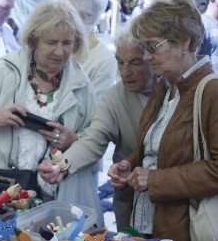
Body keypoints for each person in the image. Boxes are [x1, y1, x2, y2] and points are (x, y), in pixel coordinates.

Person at [107, 0, 218, 241]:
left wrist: (155, 180)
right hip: (149, 223)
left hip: (183, 233)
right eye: (144, 48)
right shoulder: (165, 86)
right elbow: (157, 144)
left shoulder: (215, 93)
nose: (147, 57)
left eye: (152, 47)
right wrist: (131, 162)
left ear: (184, 41)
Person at [0, 0, 102, 221]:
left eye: (67, 43)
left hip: (51, 201)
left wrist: (73, 142)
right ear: (34, 40)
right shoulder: (4, 72)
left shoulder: (82, 86)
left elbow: (95, 142)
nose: (60, 52)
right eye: (51, 42)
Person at [38, 23, 157, 229]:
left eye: (135, 63)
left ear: (153, 60)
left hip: (170, 201)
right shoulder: (115, 98)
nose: (125, 72)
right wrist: (62, 166)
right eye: (120, 62)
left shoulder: (175, 93)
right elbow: (94, 138)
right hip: (130, 200)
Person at [54, 0, 117, 95]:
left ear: (82, 16)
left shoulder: (103, 60)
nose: (53, 17)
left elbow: (94, 109)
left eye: (60, 12)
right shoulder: (50, 47)